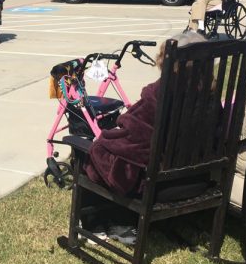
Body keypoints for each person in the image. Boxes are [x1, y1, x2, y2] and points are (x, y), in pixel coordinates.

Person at [84, 31, 206, 198]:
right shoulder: (211, 94)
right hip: (200, 179)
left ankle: (106, 222)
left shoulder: (159, 93)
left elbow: (133, 137)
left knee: (93, 154)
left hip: (160, 183)